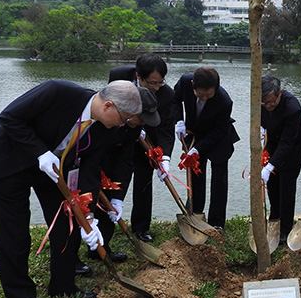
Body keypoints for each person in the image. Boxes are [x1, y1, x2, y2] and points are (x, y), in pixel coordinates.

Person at [0, 80, 142, 298]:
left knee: (68, 223)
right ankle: (21, 297)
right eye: (123, 119)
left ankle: (63, 287)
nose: (122, 125)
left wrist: (89, 217)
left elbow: (90, 170)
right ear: (109, 106)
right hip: (13, 162)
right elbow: (10, 117)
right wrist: (39, 152)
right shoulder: (57, 92)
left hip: (55, 171)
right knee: (14, 232)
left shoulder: (103, 128)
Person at [90, 87, 161, 264]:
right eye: (140, 118)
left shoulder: (134, 127)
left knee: (110, 208)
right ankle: (73, 260)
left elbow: (126, 159)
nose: (142, 123)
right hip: (90, 162)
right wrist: (94, 176)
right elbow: (91, 151)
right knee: (85, 208)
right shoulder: (106, 119)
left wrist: (118, 197)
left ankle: (102, 248)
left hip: (113, 164)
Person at [108, 54, 175, 242]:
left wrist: (165, 157)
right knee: (114, 179)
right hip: (120, 140)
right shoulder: (118, 76)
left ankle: (141, 228)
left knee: (144, 183)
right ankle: (106, 225)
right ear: (138, 76)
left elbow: (166, 128)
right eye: (151, 83)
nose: (156, 88)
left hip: (148, 144)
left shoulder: (166, 94)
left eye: (160, 83)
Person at [172, 67, 239, 229]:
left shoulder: (224, 101)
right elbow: (174, 100)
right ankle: (194, 214)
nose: (204, 98)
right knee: (196, 176)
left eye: (209, 95)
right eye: (200, 94)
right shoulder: (184, 82)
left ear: (216, 88)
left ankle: (217, 223)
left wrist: (198, 150)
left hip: (219, 138)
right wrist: (179, 121)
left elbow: (219, 131)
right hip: (194, 133)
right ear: (193, 84)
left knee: (219, 181)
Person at [260, 74, 301, 244]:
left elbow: (288, 142)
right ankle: (274, 220)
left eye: (271, 102)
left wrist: (270, 166)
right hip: (272, 141)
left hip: (293, 145)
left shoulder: (292, 107)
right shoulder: (261, 103)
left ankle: (285, 229)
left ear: (279, 93)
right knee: (272, 185)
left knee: (286, 185)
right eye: (264, 103)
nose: (268, 106)